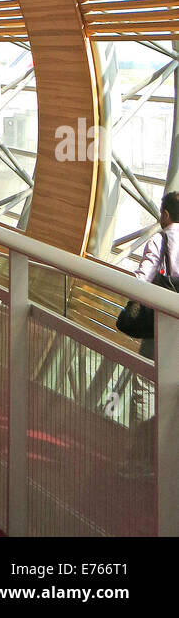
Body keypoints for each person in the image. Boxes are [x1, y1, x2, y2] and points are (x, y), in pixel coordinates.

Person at [123, 191, 179, 475]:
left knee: (146, 384)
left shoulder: (161, 239)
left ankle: (143, 459)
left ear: (166, 214)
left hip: (161, 325)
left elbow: (141, 280)